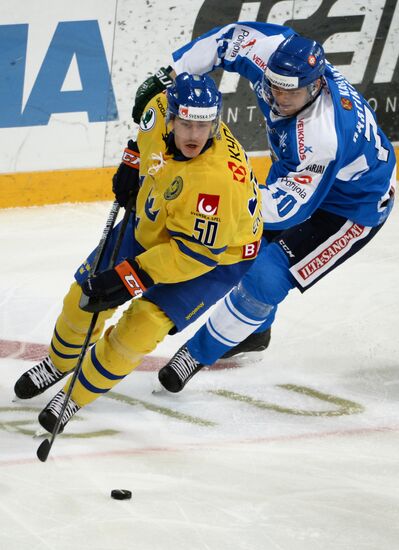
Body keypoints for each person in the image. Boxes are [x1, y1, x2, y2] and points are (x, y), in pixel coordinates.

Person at [130, 22, 396, 393]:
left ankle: (197, 353)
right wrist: (170, 75)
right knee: (242, 251)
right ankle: (254, 331)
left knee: (266, 276)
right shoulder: (273, 52)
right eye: (273, 85)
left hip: (351, 208)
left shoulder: (323, 135)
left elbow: (287, 211)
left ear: (317, 85)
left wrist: (220, 199)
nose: (278, 98)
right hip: (297, 175)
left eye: (291, 92)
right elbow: (225, 41)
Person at [14, 72, 263, 432]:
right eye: (187, 124)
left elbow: (194, 254)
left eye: (205, 125)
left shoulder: (216, 182)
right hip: (155, 221)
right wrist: (132, 163)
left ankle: (74, 396)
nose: (196, 135)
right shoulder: (157, 109)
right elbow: (146, 132)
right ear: (171, 116)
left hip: (213, 259)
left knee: (138, 329)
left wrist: (131, 277)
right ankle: (59, 362)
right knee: (81, 298)